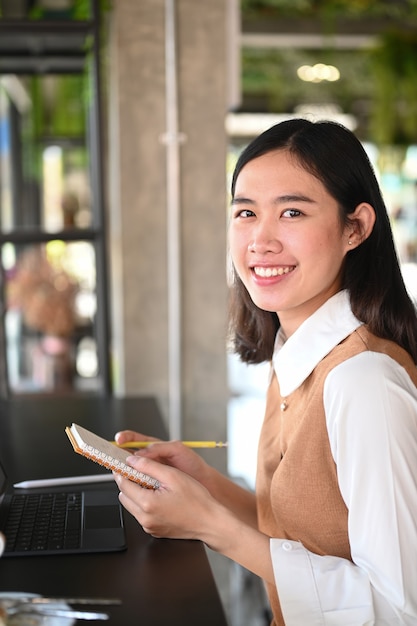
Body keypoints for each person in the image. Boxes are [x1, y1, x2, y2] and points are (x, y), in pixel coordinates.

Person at [114, 119, 417, 625]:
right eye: (246, 213)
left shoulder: (363, 383)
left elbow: (397, 609)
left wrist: (211, 526)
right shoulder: (296, 352)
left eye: (292, 212)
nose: (260, 239)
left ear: (356, 228)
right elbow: (302, 529)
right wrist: (207, 484)